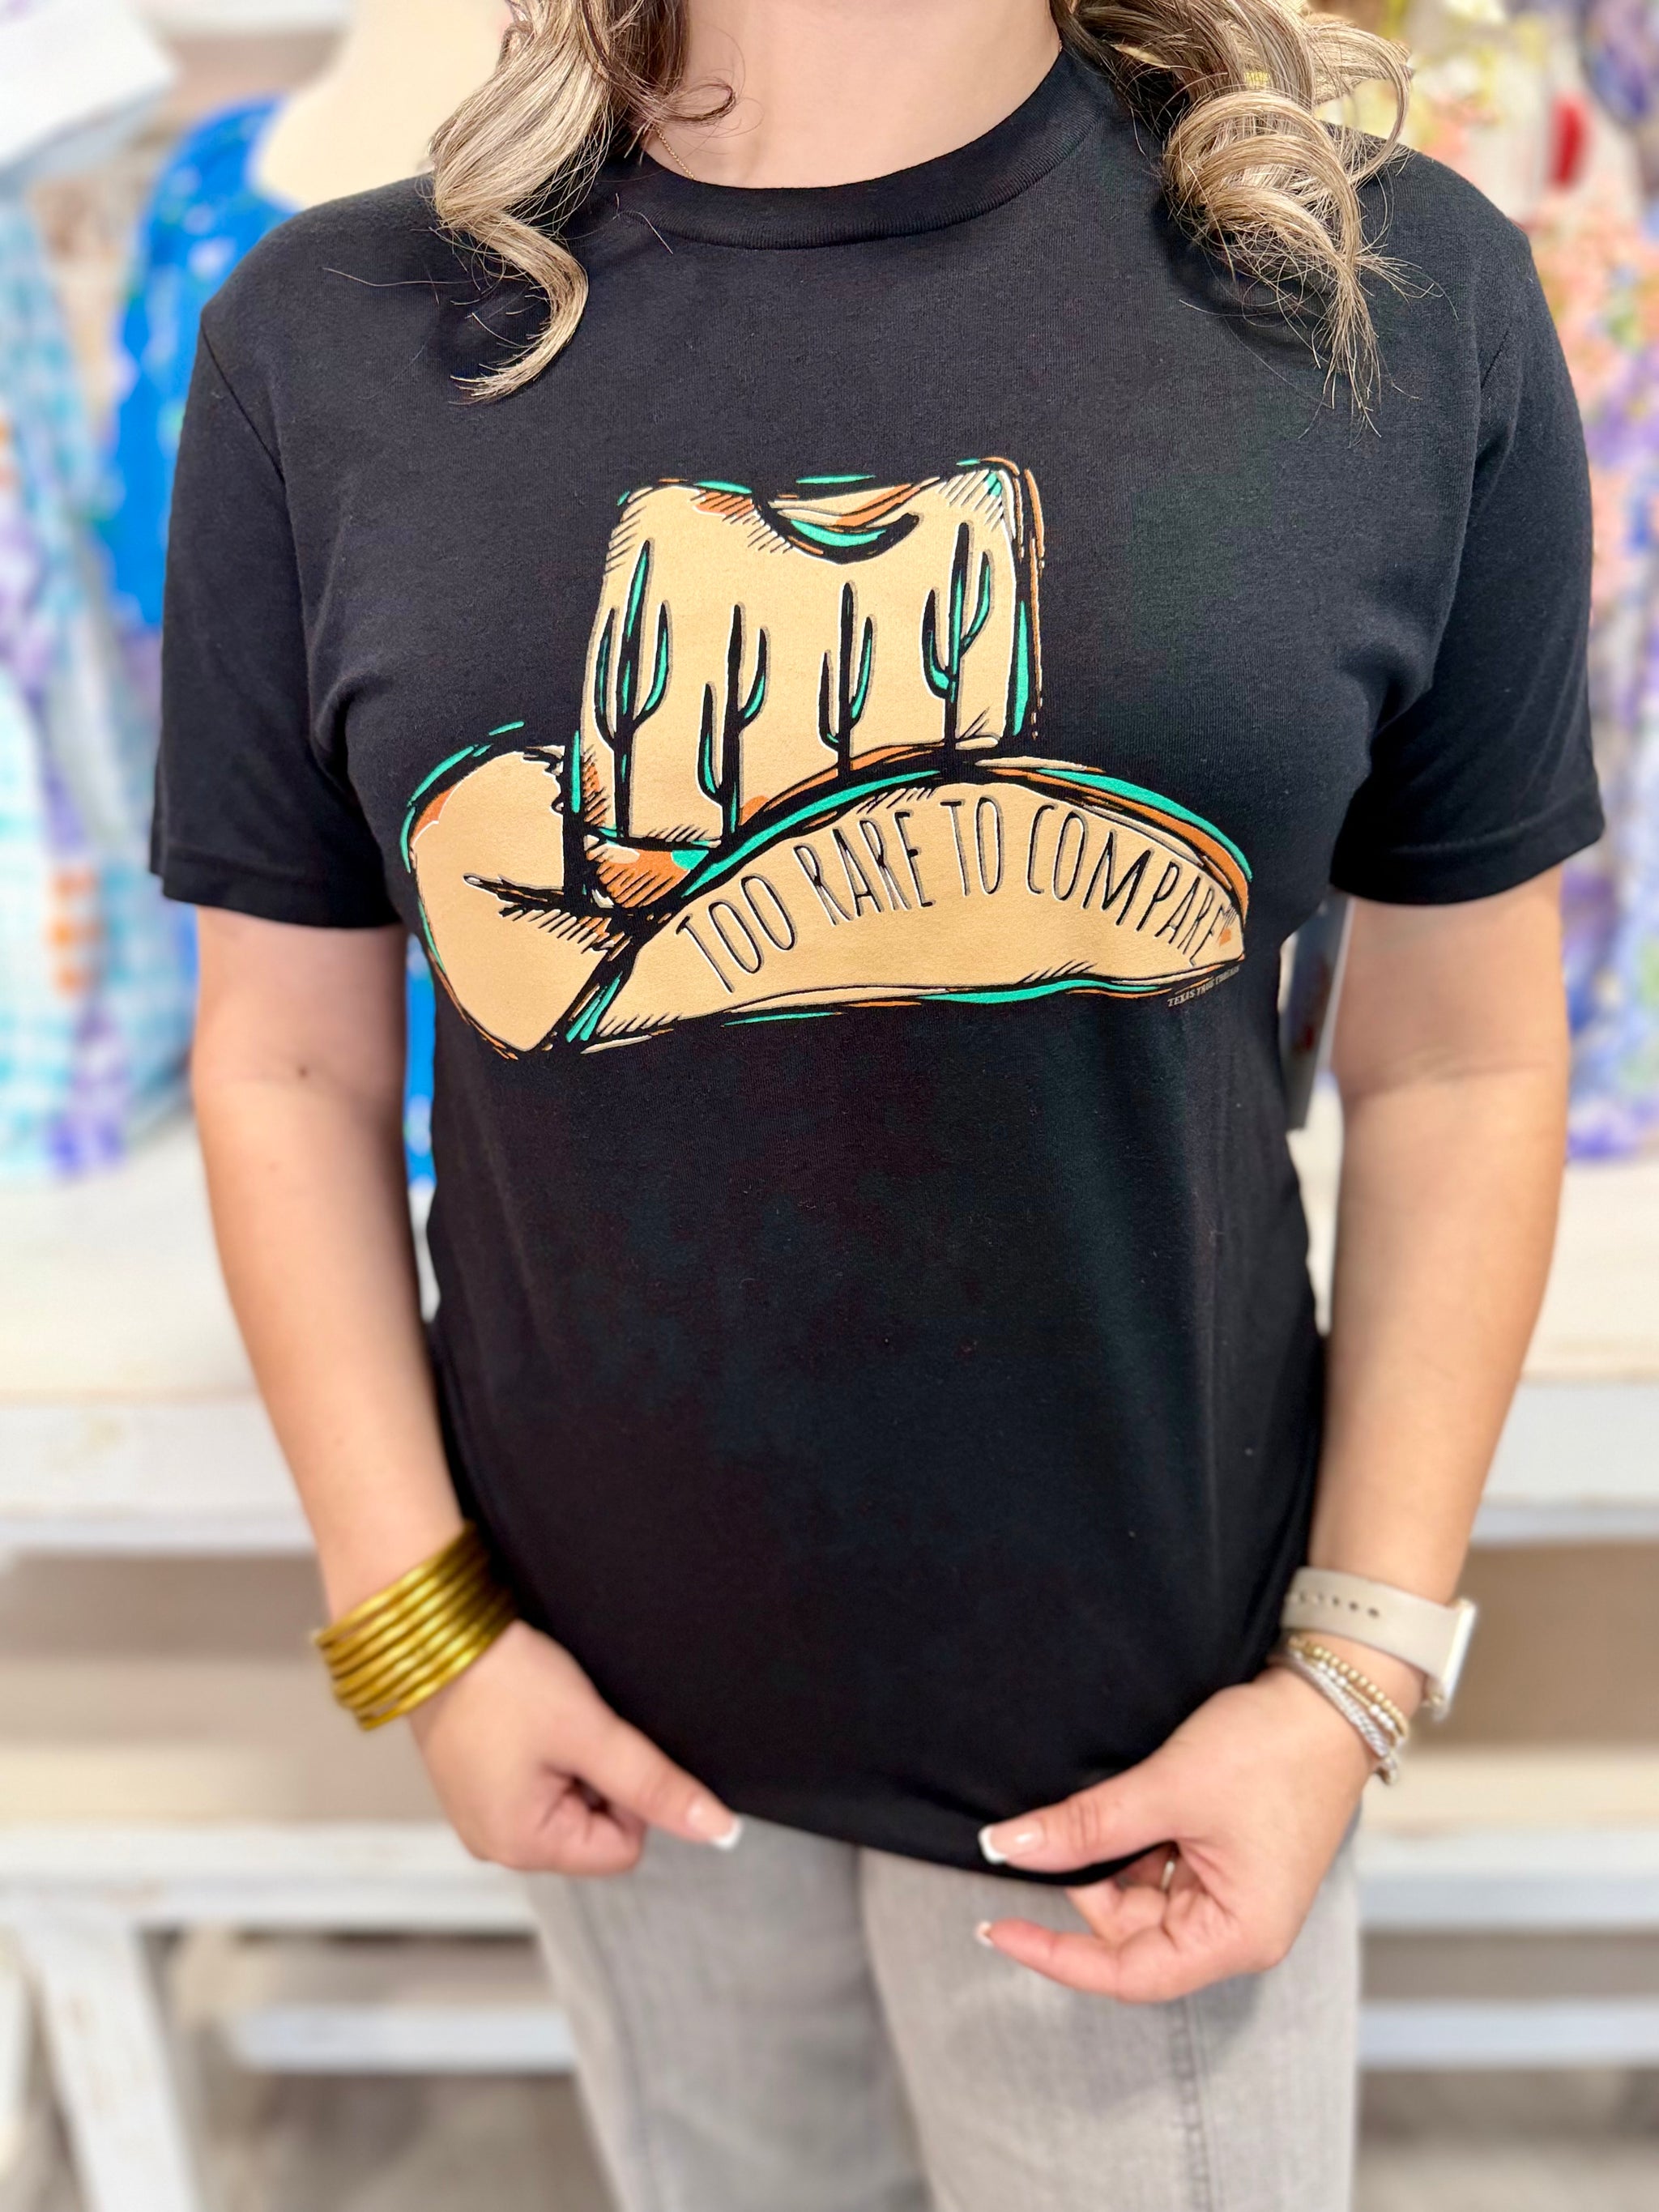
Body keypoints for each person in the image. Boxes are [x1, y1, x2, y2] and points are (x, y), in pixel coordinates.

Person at [155, 2, 1601, 2205]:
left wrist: (1352, 1672)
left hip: (1155, 1733)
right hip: (604, 1716)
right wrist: (426, 1635)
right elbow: (283, 1053)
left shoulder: (1378, 301)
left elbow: (1464, 1054)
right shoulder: (334, 341)